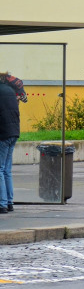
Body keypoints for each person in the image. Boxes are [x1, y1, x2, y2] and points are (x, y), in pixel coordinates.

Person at [0, 71, 27, 213]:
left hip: (3, 134)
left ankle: (2, 204)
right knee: (6, 170)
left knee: (0, 169)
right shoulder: (10, 91)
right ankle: (9, 202)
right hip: (14, 133)